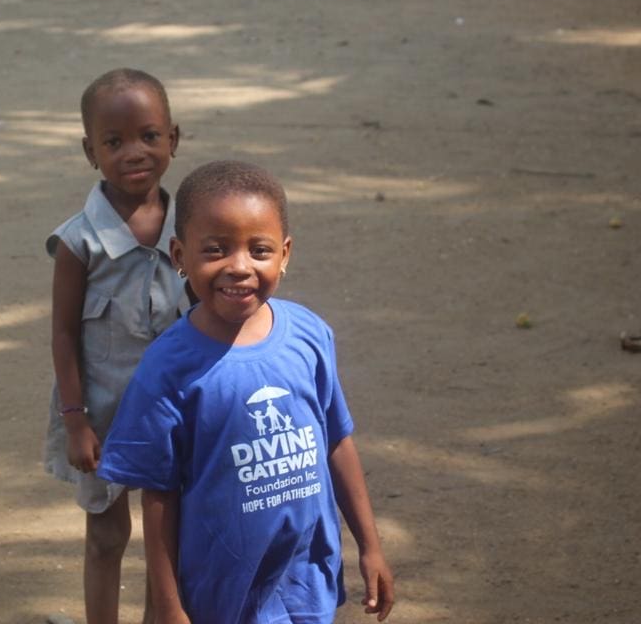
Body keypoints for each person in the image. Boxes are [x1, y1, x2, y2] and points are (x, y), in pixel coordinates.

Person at [97, 160, 395, 623]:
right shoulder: (167, 367)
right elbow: (158, 496)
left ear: (285, 254)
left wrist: (370, 546)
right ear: (179, 256)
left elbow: (336, 441)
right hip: (221, 592)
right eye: (215, 250)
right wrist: (169, 607)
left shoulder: (309, 336)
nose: (239, 267)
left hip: (304, 580)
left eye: (259, 250)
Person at [43, 68, 184, 624]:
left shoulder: (193, 228)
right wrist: (75, 420)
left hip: (173, 414)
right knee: (106, 534)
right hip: (100, 414)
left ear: (174, 138)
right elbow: (62, 333)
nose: (134, 152)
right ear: (89, 150)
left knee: (165, 537)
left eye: (149, 136)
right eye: (113, 141)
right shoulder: (78, 241)